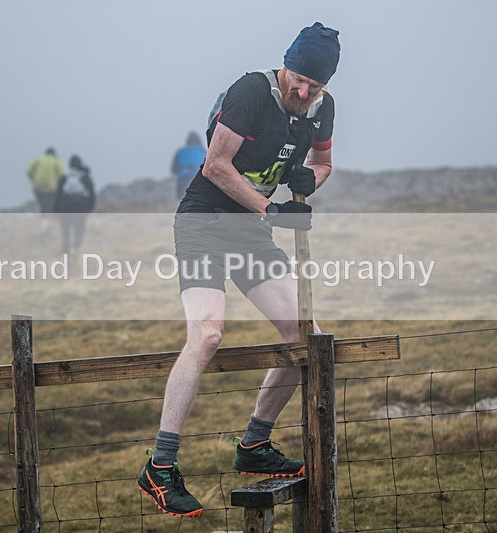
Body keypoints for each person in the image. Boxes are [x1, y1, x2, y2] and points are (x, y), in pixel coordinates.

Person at [137, 22, 340, 518]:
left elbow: (324, 163)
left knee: (307, 337)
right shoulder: (252, 90)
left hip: (250, 233)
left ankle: (253, 445)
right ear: (285, 65)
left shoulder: (321, 110)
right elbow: (215, 166)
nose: (301, 90)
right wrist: (271, 211)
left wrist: (305, 181)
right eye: (297, 78)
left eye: (313, 85)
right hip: (205, 222)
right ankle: (160, 467)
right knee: (207, 333)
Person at [56, 154, 96, 255]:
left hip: (65, 208)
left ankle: (66, 258)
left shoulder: (64, 177)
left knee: (66, 235)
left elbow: (58, 195)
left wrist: (56, 210)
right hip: (79, 208)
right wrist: (90, 207)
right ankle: (75, 248)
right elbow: (91, 193)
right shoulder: (84, 177)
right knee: (79, 231)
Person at [26, 147, 65, 238]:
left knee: (43, 207)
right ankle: (44, 228)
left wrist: (33, 179)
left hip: (38, 187)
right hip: (50, 188)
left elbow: (28, 170)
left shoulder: (39, 160)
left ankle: (43, 225)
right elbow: (61, 174)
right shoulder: (55, 161)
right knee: (48, 209)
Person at [171, 132, 207, 199]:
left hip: (182, 179)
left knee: (180, 198)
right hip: (198, 179)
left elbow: (173, 169)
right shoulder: (203, 151)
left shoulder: (180, 152)